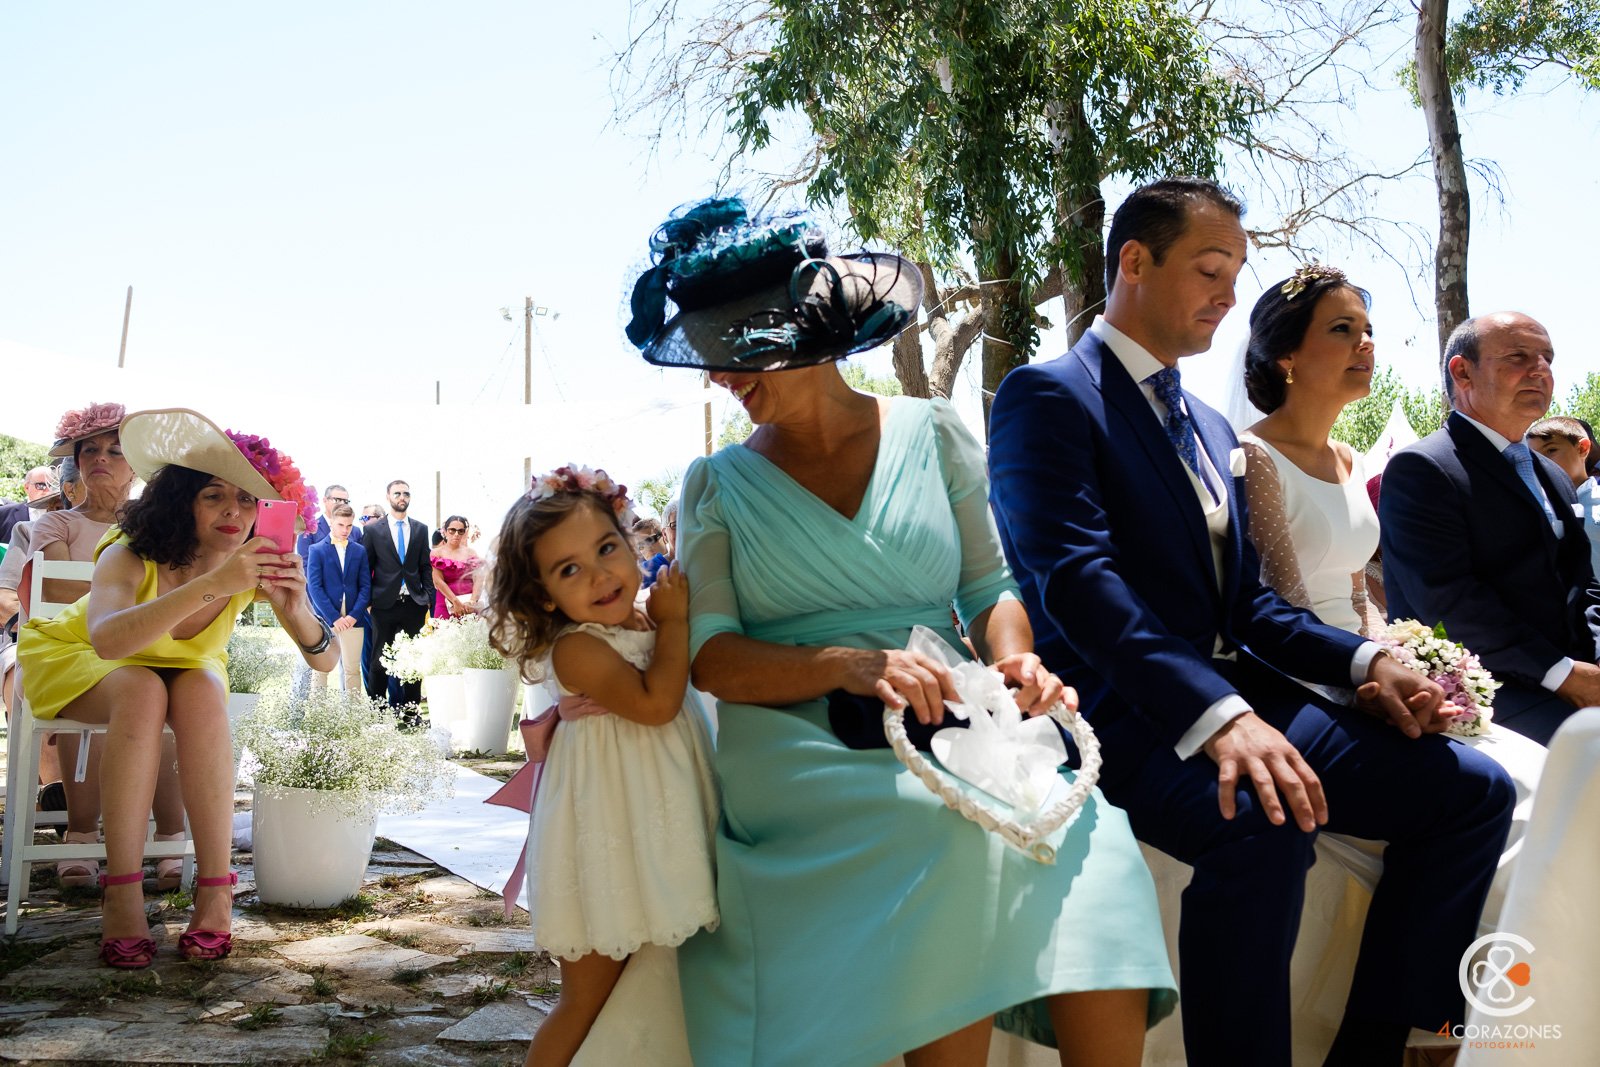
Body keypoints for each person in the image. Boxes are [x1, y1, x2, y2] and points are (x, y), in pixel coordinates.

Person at [628, 197, 1175, 1067]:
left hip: (946, 710)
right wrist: (847, 664)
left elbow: (991, 587)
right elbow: (714, 660)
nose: (718, 378)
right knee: (942, 833)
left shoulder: (934, 432)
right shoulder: (715, 485)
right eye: (707, 355)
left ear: (798, 329)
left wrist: (1016, 660)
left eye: (730, 349)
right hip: (800, 740)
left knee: (1096, 839)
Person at [986, 178, 1514, 1067]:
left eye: (1236, 272)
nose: (1230, 294)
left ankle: (1369, 1053)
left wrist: (1366, 666)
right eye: (1210, 268)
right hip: (1118, 708)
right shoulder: (1046, 396)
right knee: (1264, 823)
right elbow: (1077, 583)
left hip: (1242, 692)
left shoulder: (1204, 420)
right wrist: (1219, 717)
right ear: (1134, 261)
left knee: (1473, 791)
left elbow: (1250, 605)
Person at [17, 407, 337, 968]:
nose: (233, 511)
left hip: (183, 670)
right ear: (182, 500)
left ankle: (215, 891)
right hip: (81, 656)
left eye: (247, 500)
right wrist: (215, 584)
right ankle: (122, 892)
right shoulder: (128, 551)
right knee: (142, 689)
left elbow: (326, 660)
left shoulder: (252, 563)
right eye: (214, 495)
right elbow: (109, 640)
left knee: (201, 691)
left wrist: (296, 608)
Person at [485, 467, 717, 1067]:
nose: (598, 575)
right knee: (586, 998)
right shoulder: (578, 647)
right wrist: (676, 623)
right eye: (569, 570)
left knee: (656, 979)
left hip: (657, 819)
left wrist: (664, 621)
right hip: (606, 839)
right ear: (543, 594)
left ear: (630, 541)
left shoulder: (639, 619)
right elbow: (656, 704)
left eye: (607, 549)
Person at [1382, 312, 1600, 746]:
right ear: (1463, 372)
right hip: (1483, 690)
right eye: (1519, 356)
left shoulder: (1552, 475)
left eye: (1547, 358)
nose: (1540, 370)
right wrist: (1563, 675)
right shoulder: (1423, 468)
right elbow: (1448, 600)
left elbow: (1583, 583)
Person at [1235, 264, 1384, 638]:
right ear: (1288, 355)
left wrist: (1396, 654)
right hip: (1299, 659)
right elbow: (1286, 601)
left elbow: (1358, 597)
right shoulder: (1255, 457)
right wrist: (1364, 668)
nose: (1366, 342)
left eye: (1368, 330)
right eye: (1342, 329)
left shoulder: (1351, 461)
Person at [364, 479, 432, 710]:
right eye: (397, 493)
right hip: (383, 605)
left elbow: (425, 567)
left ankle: (411, 711)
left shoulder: (421, 529)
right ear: (388, 497)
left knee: (413, 660)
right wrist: (369, 602)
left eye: (406, 494)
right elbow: (366, 569)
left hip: (414, 603)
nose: (402, 497)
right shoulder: (373, 530)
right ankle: (378, 713)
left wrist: (427, 599)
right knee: (379, 661)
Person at [1526, 414, 1600, 583]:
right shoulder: (1535, 508)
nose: (1541, 462)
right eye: (1534, 457)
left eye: (1551, 450)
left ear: (1582, 448)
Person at [306, 504, 370, 692]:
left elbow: (365, 587)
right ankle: (319, 709)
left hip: (353, 618)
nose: (345, 530)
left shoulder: (359, 551)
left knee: (352, 669)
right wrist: (334, 617)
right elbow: (315, 587)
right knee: (321, 669)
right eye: (341, 525)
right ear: (331, 523)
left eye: (349, 526)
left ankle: (352, 709)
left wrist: (353, 616)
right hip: (327, 617)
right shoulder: (316, 550)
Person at [429, 514, 482, 618]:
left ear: (464, 532)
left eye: (460, 531)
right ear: (445, 531)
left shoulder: (472, 553)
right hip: (445, 604)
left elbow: (478, 579)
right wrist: (455, 601)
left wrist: (472, 601)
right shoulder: (437, 553)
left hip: (468, 606)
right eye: (452, 530)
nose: (456, 534)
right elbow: (438, 581)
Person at [295, 482, 363, 558]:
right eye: (337, 500)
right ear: (325, 500)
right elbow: (305, 560)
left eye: (345, 501)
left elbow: (361, 559)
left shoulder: (355, 531)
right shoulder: (309, 529)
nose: (342, 504)